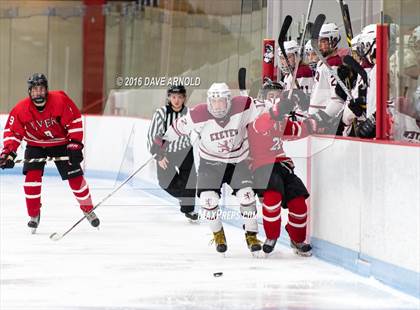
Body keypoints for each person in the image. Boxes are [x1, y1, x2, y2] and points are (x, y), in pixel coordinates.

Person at [158, 82, 262, 254]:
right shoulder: (198, 113)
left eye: (221, 101)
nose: (218, 106)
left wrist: (284, 107)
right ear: (209, 102)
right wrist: (161, 142)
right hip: (210, 165)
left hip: (237, 162)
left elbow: (269, 109)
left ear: (228, 100)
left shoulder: (244, 105)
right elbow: (177, 128)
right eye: (214, 102)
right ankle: (218, 234)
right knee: (208, 200)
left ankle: (251, 235)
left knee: (247, 196)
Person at [0, 73, 99, 233]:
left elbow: (74, 121)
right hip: (35, 145)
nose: (38, 93)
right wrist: (8, 153)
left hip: (61, 143)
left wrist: (75, 145)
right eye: (34, 90)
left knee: (76, 178)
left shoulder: (60, 100)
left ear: (46, 90)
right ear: (29, 91)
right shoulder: (20, 109)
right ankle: (34, 215)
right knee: (31, 181)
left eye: (41, 89)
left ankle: (87, 209)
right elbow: (13, 132)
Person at [248, 82, 312, 256]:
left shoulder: (280, 120)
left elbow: (303, 130)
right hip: (262, 167)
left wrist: (327, 116)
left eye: (278, 95)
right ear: (262, 98)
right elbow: (263, 123)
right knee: (272, 198)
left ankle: (297, 238)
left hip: (282, 165)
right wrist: (277, 110)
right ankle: (271, 236)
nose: (275, 99)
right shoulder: (256, 117)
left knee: (299, 202)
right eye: (270, 96)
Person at [147, 84, 198, 221]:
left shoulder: (189, 113)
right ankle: (185, 197)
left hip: (185, 150)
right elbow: (152, 136)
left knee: (190, 181)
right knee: (165, 182)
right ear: (169, 97)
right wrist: (158, 157)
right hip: (165, 153)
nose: (176, 100)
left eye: (180, 97)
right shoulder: (161, 113)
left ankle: (189, 210)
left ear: (184, 98)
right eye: (173, 97)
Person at [307, 22, 345, 134]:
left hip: (323, 124)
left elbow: (338, 99)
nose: (319, 45)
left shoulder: (334, 65)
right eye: (319, 41)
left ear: (333, 41)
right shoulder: (322, 63)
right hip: (314, 120)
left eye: (324, 41)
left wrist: (322, 117)